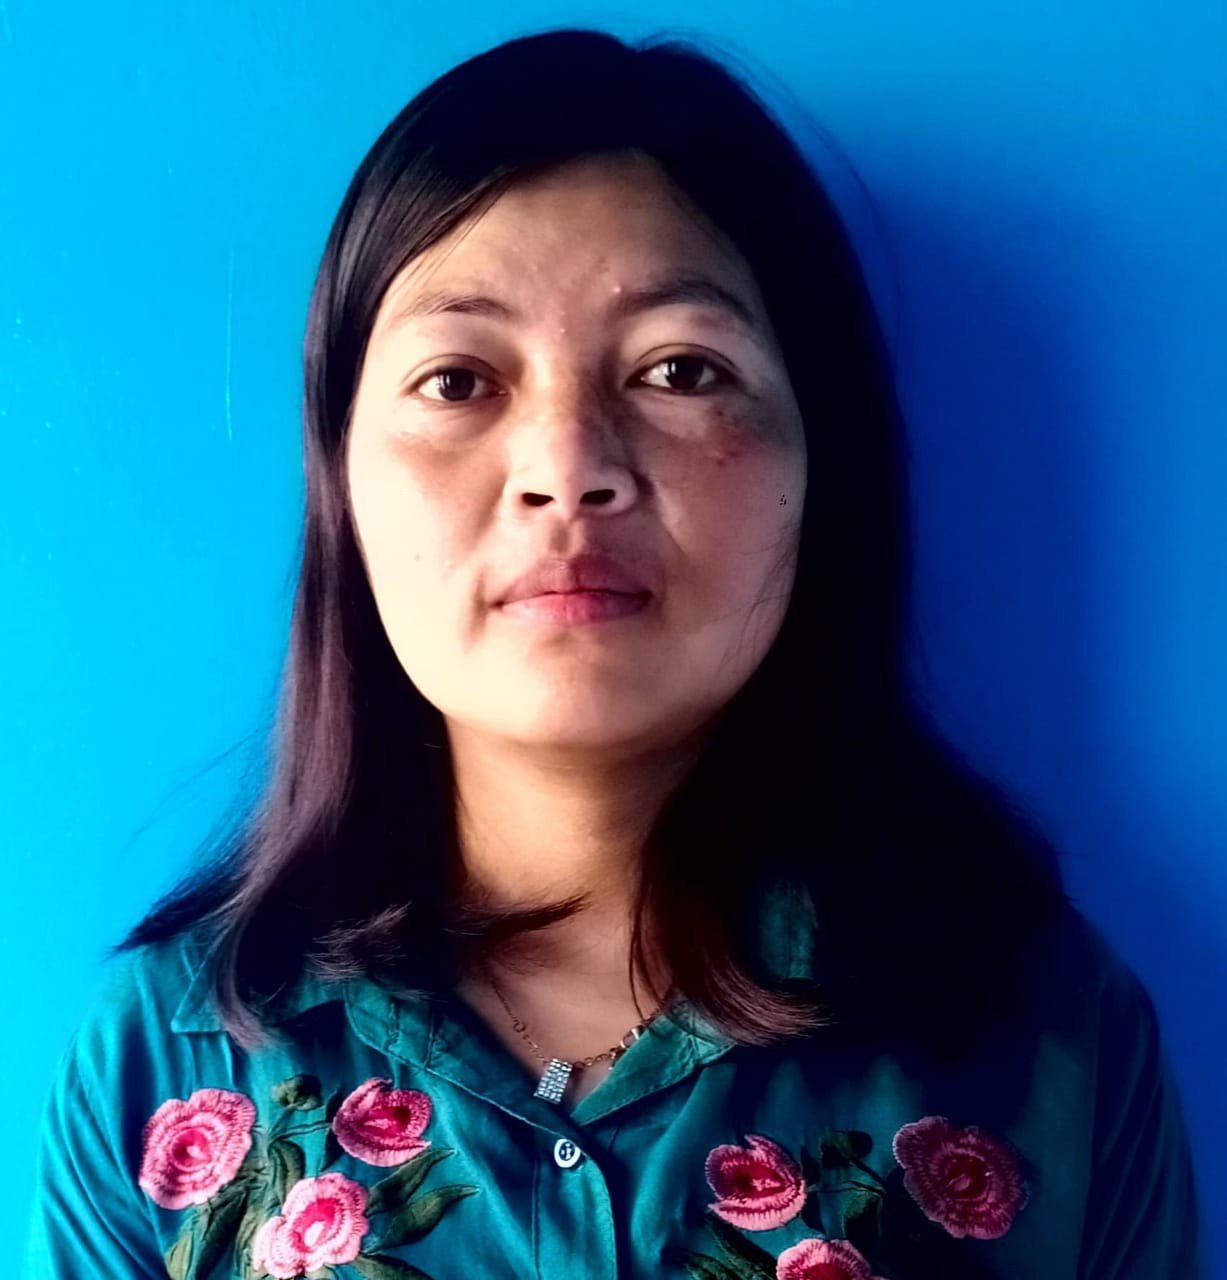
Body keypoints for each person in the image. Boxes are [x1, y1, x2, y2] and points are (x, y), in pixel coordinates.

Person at [22, 26, 1206, 1280]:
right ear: (342, 479)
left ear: (821, 460)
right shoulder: (160, 1063)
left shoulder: (1050, 1035)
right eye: (459, 380)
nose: (569, 465)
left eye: (681, 369)